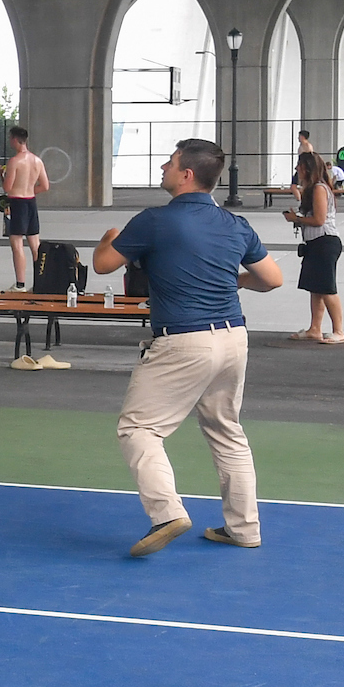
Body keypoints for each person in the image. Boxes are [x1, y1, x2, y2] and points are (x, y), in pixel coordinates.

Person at [92, 138, 282, 556]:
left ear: (187, 174)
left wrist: (108, 238)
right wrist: (234, 280)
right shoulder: (236, 225)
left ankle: (166, 512)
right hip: (233, 338)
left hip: (182, 340)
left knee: (139, 428)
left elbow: (104, 265)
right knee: (228, 432)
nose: (163, 166)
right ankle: (245, 528)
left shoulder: (155, 220)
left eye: (170, 161)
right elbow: (272, 279)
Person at [284, 149, 344, 345]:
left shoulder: (319, 188)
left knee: (327, 287)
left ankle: (339, 331)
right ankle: (315, 328)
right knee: (316, 288)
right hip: (315, 243)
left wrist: (297, 219)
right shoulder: (313, 188)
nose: (296, 169)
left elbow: (319, 219)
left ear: (306, 168)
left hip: (324, 241)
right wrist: (298, 219)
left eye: (299, 166)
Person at [1, 125, 49, 287]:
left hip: (17, 202)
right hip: (30, 201)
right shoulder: (37, 160)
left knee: (17, 244)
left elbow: (7, 188)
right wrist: (30, 190)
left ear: (14, 139)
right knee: (35, 244)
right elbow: (45, 186)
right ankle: (40, 283)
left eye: (10, 138)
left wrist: (2, 175)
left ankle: (20, 284)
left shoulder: (14, 161)